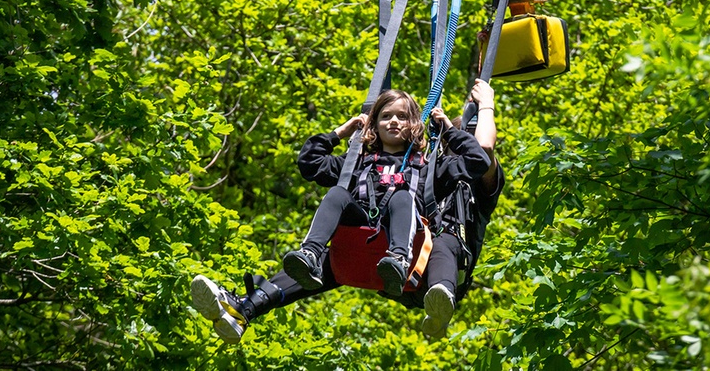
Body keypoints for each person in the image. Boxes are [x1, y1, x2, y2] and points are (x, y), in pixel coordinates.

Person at [190, 88, 490, 343]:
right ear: (375, 124)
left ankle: (397, 260)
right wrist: (342, 132)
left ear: (415, 124)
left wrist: (448, 130)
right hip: (357, 241)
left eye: (402, 116)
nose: (394, 121)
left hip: (403, 251)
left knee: (401, 197)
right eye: (386, 116)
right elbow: (309, 163)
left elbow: (478, 161)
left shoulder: (428, 168)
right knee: (336, 195)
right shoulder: (355, 163)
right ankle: (245, 309)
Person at [391, 79, 504, 339]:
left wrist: (486, 104)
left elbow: (483, 150)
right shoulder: (431, 170)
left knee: (442, 239)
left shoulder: (481, 184)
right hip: (407, 258)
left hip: (446, 267)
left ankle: (440, 305)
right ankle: (280, 288)